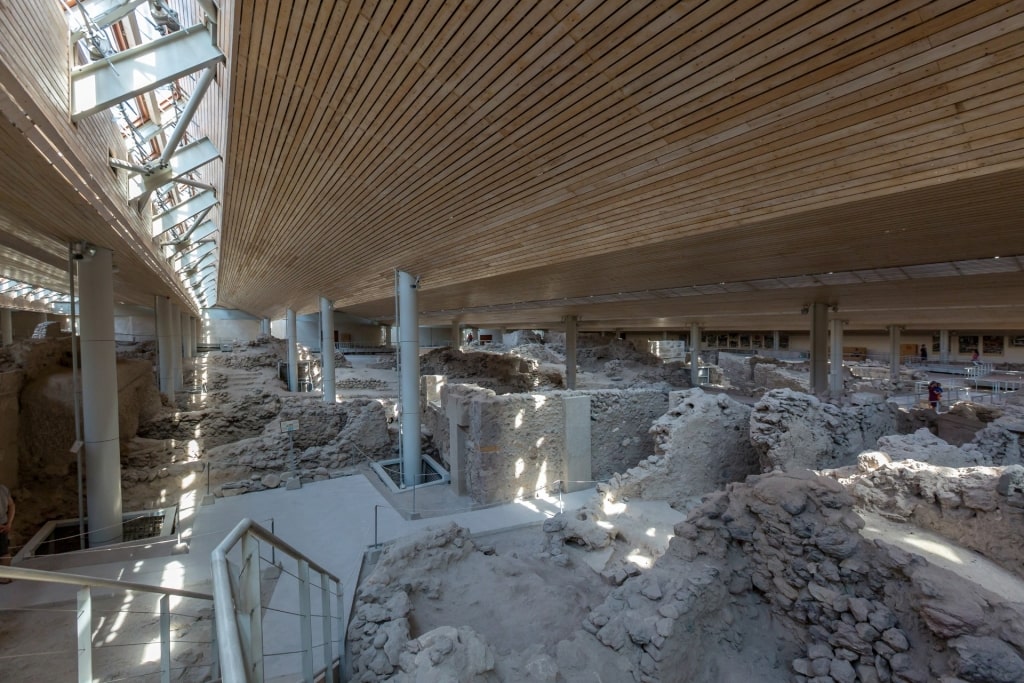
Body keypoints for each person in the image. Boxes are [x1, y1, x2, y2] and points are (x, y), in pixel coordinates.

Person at [0, 483, 14, 583]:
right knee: (4, 552)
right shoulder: (3, 488)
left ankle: (4, 577)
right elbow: (12, 505)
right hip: (4, 525)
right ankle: (5, 577)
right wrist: (9, 523)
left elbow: (11, 505)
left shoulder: (3, 489)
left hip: (2, 526)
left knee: (4, 552)